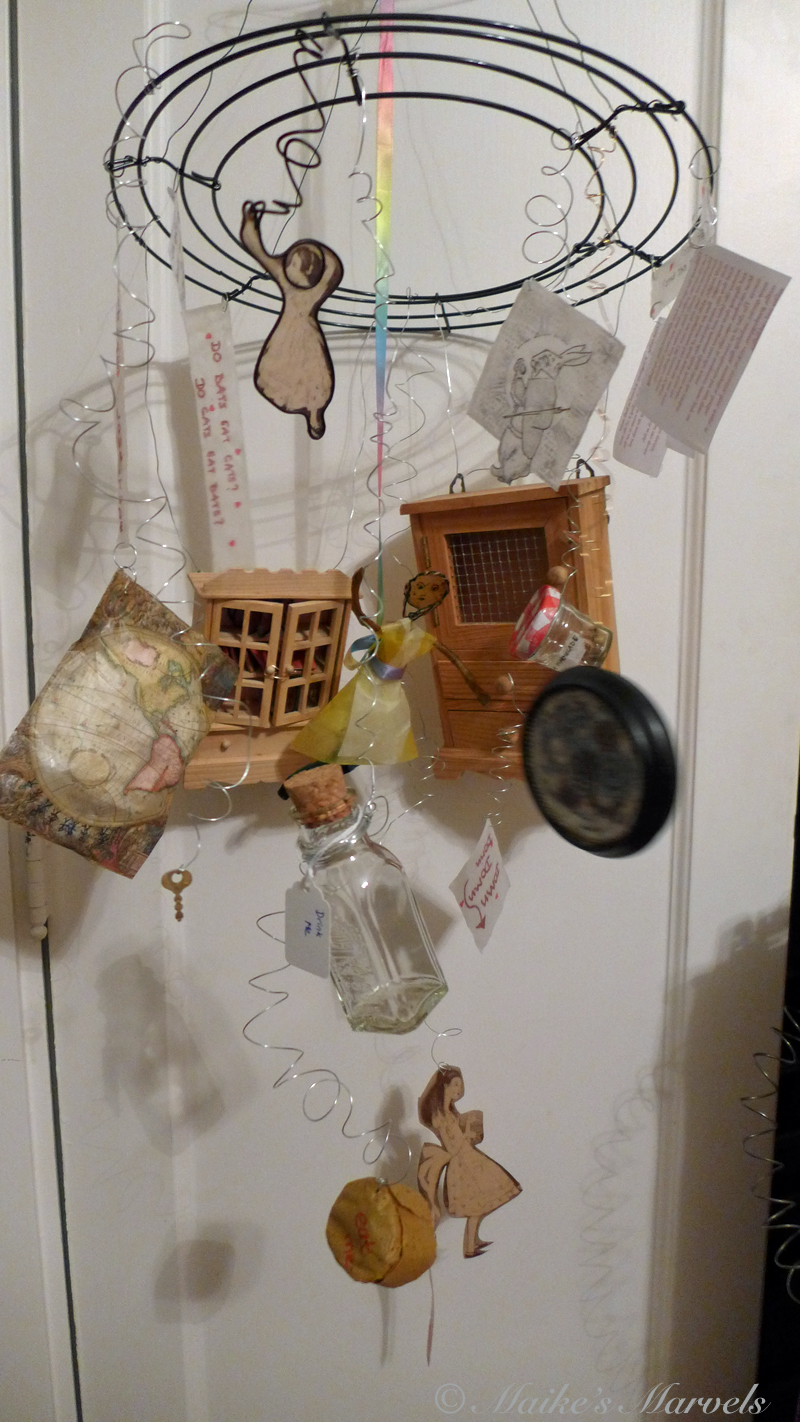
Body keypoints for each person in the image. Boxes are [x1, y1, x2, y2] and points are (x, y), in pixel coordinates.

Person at [417, 1066, 521, 1258]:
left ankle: (472, 1241)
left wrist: (469, 1132)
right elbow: (452, 1147)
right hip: (463, 1164)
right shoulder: (440, 1116)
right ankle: (469, 1245)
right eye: (455, 1084)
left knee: (484, 1202)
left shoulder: (451, 1113)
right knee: (478, 1204)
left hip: (469, 1157)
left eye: (460, 1085)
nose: (458, 1089)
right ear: (445, 1086)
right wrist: (466, 1135)